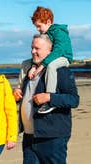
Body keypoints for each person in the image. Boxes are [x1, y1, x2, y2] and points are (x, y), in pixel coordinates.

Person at [15, 34, 79, 164]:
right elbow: (25, 96)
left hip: (52, 138)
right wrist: (16, 96)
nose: (33, 51)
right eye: (32, 48)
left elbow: (74, 100)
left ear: (50, 50)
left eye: (37, 48)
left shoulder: (61, 71)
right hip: (29, 137)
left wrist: (49, 97)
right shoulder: (29, 70)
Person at [17, 6, 73, 114]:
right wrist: (33, 66)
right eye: (36, 27)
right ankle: (20, 91)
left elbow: (57, 51)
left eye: (39, 26)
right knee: (26, 63)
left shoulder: (59, 32)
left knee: (51, 66)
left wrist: (42, 65)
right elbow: (40, 54)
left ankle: (49, 98)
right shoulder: (45, 34)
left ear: (48, 22)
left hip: (64, 57)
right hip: (52, 57)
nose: (38, 29)